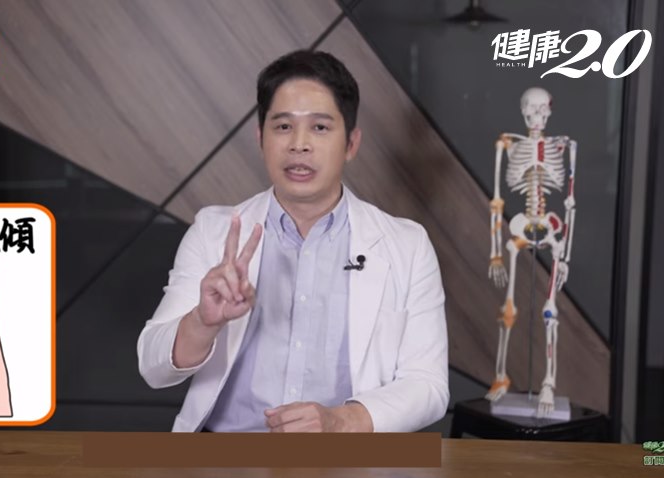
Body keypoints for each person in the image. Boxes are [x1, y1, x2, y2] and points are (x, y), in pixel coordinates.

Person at [137, 50, 448, 432]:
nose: (299, 144)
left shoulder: (407, 245)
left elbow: (429, 385)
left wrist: (341, 421)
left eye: (320, 127)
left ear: (351, 143)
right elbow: (152, 366)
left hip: (345, 457)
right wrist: (202, 321)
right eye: (283, 126)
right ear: (260, 138)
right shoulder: (213, 231)